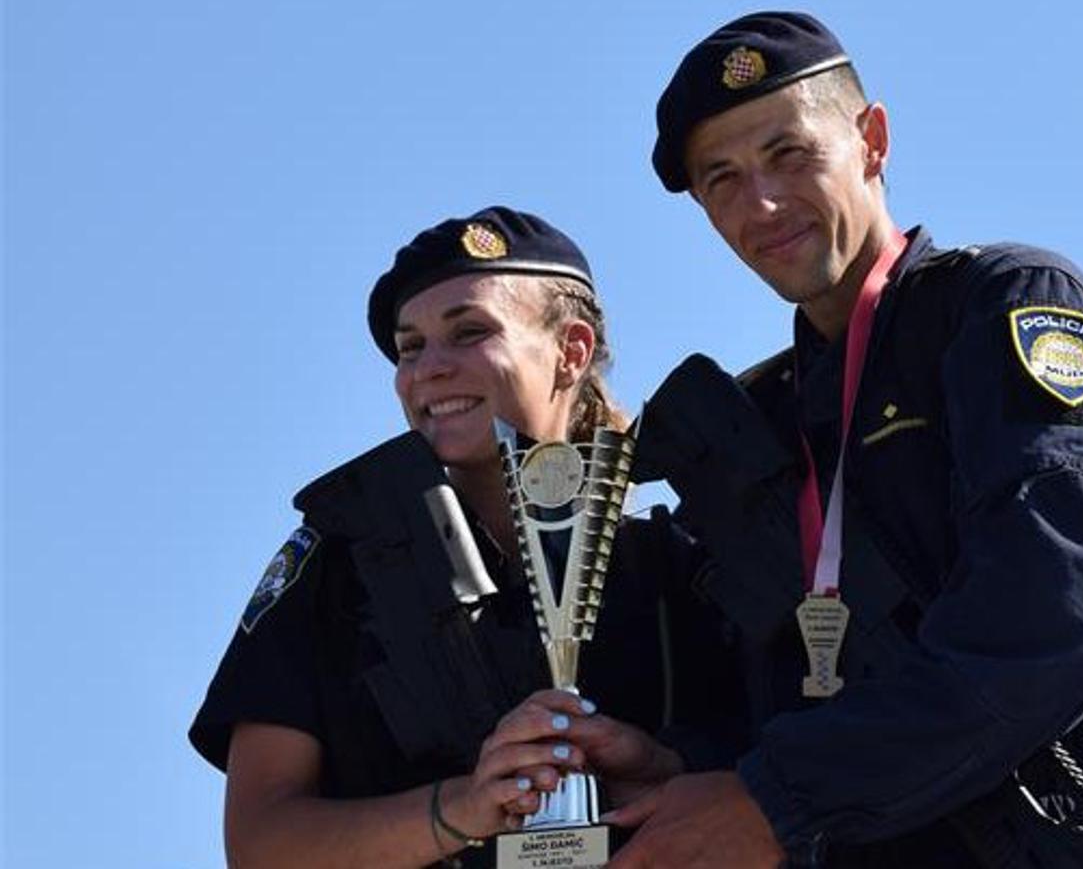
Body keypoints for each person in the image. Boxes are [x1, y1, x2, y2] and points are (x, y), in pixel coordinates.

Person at [549, 11, 1083, 867]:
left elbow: (1061, 619)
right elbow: (795, 696)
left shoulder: (1007, 307)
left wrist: (775, 800)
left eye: (789, 154)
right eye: (722, 179)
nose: (762, 203)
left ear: (872, 140)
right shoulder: (762, 416)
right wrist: (683, 766)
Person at [190, 207, 737, 868]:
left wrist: (662, 767)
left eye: (469, 332)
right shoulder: (340, 569)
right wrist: (466, 807)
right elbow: (260, 844)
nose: (429, 368)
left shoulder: (683, 568)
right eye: (410, 348)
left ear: (571, 351)